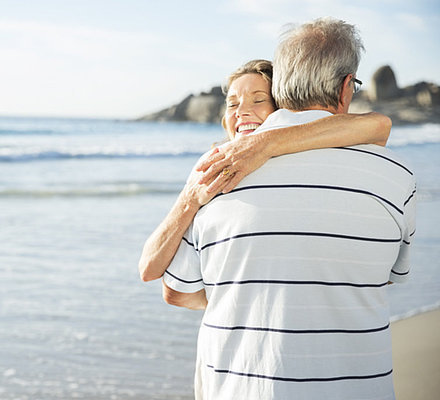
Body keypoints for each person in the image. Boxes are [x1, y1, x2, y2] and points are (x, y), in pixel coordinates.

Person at [158, 18, 416, 399]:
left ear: (279, 88)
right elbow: (389, 274)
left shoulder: (216, 173)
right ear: (347, 88)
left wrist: (251, 297)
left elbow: (176, 292)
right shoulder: (399, 177)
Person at [139, 59, 391, 283]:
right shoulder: (211, 171)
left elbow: (376, 125)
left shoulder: (300, 158)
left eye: (259, 100)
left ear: (282, 109)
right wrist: (189, 199)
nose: (242, 112)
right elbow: (148, 269)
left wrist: (265, 143)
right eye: (232, 104)